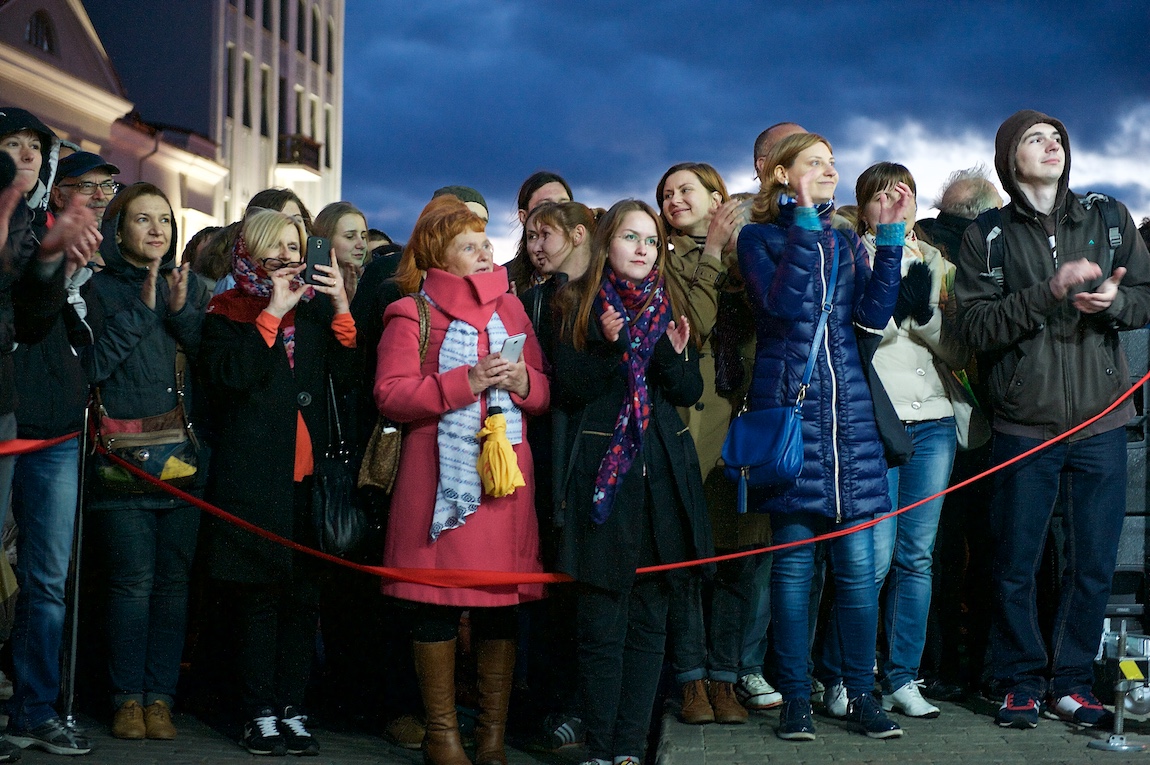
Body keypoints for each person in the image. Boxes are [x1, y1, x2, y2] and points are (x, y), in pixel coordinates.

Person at [953, 109, 1150, 730]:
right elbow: (976, 327)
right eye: (1036, 140)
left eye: (1058, 138)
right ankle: (1017, 680)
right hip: (1023, 423)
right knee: (1016, 560)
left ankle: (1070, 682)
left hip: (1102, 422)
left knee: (1091, 561)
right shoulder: (985, 235)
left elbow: (1146, 297)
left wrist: (1117, 303)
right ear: (1011, 158)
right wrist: (1050, 290)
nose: (1051, 146)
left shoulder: (1110, 218)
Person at [737, 133, 908, 741]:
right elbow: (782, 305)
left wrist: (888, 240)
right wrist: (806, 220)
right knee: (792, 573)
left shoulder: (842, 241)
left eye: (833, 164)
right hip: (792, 416)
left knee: (859, 573)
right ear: (782, 175)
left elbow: (870, 319)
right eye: (815, 164)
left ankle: (862, 697)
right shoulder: (757, 238)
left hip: (852, 422)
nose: (830, 172)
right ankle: (795, 700)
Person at [374, 195, 549, 765]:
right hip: (439, 486)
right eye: (469, 246)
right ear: (437, 255)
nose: (484, 254)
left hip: (504, 480)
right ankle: (443, 736)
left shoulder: (513, 310)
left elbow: (543, 393)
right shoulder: (411, 313)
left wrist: (522, 378)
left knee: (501, 606)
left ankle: (491, 738)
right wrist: (464, 381)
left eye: (486, 244)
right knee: (437, 606)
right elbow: (391, 394)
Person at [552, 199, 711, 765]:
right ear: (606, 245)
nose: (643, 249)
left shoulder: (671, 305)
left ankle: (628, 749)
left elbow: (689, 390)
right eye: (630, 237)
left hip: (661, 484)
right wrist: (613, 346)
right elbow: (567, 390)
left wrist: (669, 355)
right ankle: (599, 746)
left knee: (649, 626)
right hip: (604, 485)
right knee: (601, 627)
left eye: (651, 240)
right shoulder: (575, 303)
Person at [201, 207, 355, 756]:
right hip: (252, 480)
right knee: (258, 601)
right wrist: (270, 314)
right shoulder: (225, 310)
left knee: (301, 601)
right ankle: (257, 711)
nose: (291, 258)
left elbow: (350, 376)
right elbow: (228, 381)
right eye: (280, 247)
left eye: (298, 246)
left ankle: (292, 707)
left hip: (309, 482)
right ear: (252, 250)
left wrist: (338, 303)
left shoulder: (315, 315)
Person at [80, 182, 209, 743]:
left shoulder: (193, 285)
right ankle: (125, 698)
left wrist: (181, 314)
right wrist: (142, 311)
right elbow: (92, 367)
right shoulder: (98, 288)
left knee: (173, 584)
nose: (156, 229)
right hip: (120, 459)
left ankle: (161, 700)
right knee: (131, 583)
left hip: (183, 458)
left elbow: (212, 361)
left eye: (164, 220)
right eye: (142, 219)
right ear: (118, 228)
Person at [842, 162, 968, 719]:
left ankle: (902, 676)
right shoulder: (848, 255)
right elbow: (859, 339)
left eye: (906, 192)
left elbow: (960, 350)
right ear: (863, 205)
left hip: (935, 418)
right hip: (876, 416)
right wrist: (898, 298)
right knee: (870, 556)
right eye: (881, 194)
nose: (896, 201)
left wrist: (923, 319)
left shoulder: (942, 264)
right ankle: (846, 674)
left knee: (917, 557)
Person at [655, 162, 774, 724]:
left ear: (716, 197)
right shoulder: (663, 258)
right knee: (686, 561)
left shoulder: (752, 250)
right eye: (667, 194)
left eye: (686, 190)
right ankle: (691, 681)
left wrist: (736, 248)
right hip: (692, 426)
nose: (674, 200)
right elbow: (690, 325)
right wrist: (711, 251)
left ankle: (726, 678)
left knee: (738, 560)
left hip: (749, 425)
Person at [0, 108, 100, 760]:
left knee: (45, 579)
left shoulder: (50, 224)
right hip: (6, 418)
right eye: (9, 144)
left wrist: (62, 264)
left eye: (34, 145)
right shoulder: (14, 227)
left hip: (54, 425)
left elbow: (42, 322)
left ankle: (35, 709)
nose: (24, 154)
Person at [516, 200, 597, 749]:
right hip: (543, 456)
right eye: (528, 237)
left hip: (589, 456)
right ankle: (546, 705)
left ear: (576, 234)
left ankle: (580, 707)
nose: (534, 247)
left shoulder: (597, 296)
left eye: (543, 235)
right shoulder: (531, 298)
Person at [506, 172, 573, 293]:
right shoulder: (504, 280)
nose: (557, 212)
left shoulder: (594, 273)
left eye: (564, 204)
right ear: (524, 217)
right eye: (546, 205)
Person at [917, 166, 1002, 261]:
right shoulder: (983, 255)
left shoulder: (918, 231)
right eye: (1000, 206)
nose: (1002, 213)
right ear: (985, 213)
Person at [312, 201, 368, 301]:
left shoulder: (371, 284)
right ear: (327, 239)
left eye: (363, 237)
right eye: (350, 237)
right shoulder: (311, 290)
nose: (362, 245)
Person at [49, 151, 121, 227]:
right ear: (59, 196)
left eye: (106, 185)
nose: (101, 196)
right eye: (87, 186)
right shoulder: (42, 236)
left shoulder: (120, 235)